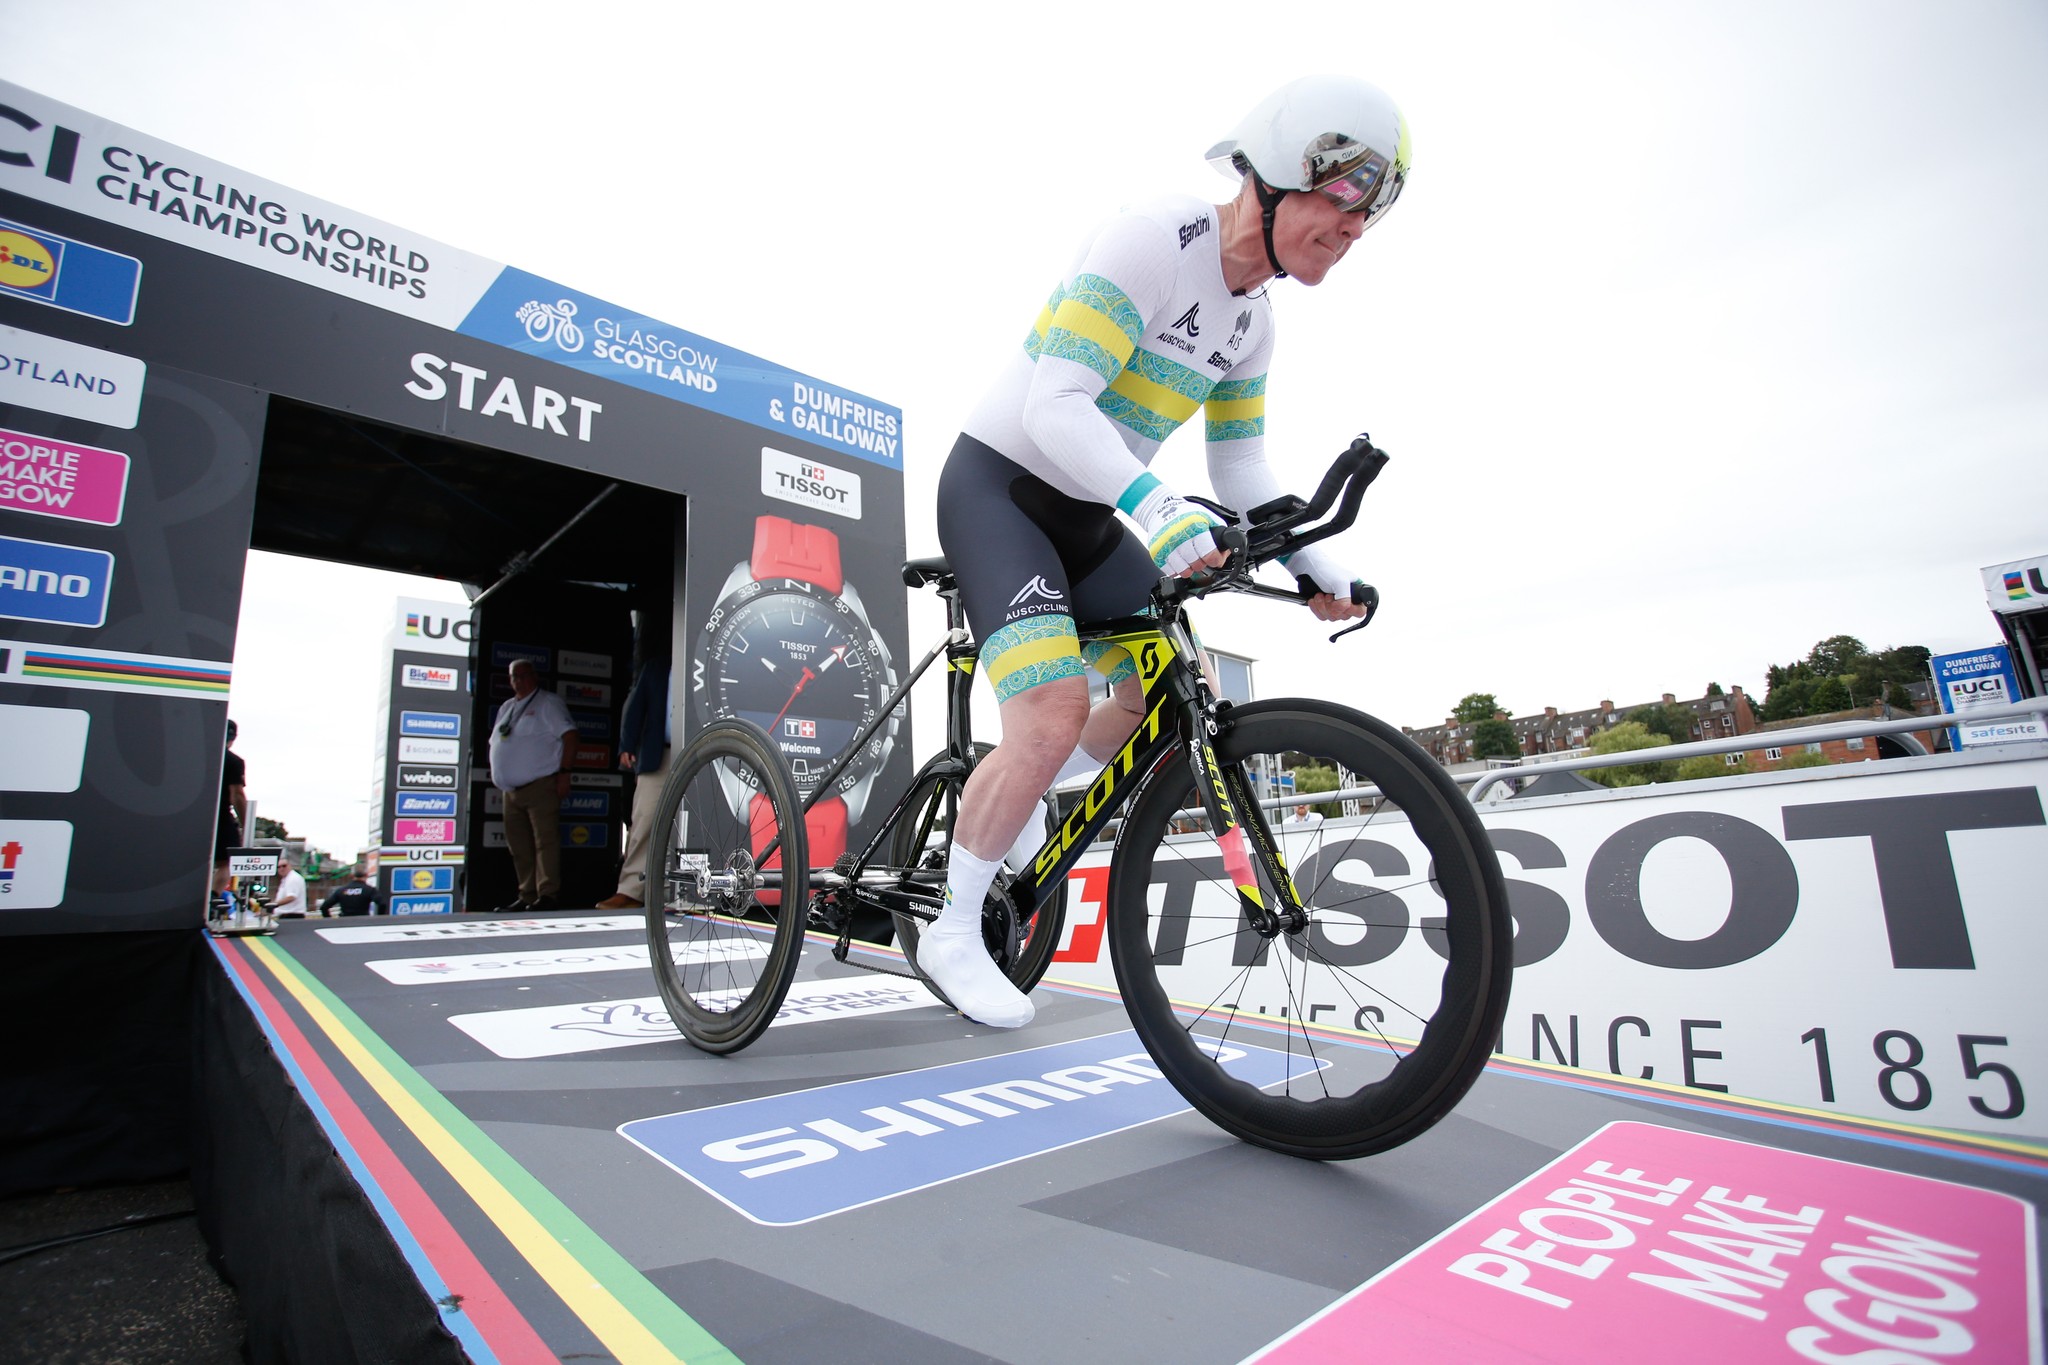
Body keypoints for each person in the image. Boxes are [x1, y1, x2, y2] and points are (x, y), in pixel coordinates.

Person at [927, 75, 1400, 1027]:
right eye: (1346, 200)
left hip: (1093, 513)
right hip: (1002, 490)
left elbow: (1241, 463)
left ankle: (1026, 788)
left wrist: (1310, 557)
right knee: (1054, 707)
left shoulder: (1256, 322)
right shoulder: (1152, 238)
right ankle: (952, 925)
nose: (1355, 232)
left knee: (1154, 689)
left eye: (1371, 218)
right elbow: (1053, 403)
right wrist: (1153, 505)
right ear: (1274, 175)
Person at [488, 657, 578, 913]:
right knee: (519, 845)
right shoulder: (506, 707)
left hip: (540, 785)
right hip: (510, 791)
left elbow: (570, 736)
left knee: (544, 841)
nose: (518, 681)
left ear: (534, 676)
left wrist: (565, 773)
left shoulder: (548, 703)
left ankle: (547, 894)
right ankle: (527, 894)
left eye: (523, 675)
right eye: (514, 676)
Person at [596, 652, 670, 911]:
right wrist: (627, 745)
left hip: (703, 750)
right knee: (645, 818)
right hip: (660, 753)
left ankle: (685, 893)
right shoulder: (657, 665)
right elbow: (636, 705)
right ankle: (630, 891)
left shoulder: (707, 662)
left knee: (699, 823)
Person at [210, 718, 246, 914]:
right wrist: (245, 822)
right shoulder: (233, 761)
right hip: (220, 815)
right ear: (232, 738)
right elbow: (237, 794)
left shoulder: (197, 756)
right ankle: (213, 897)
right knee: (227, 860)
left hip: (194, 815)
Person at [318, 865, 385, 917]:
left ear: (351, 876)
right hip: (363, 923)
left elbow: (324, 907)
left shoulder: (341, 890)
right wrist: (378, 918)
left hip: (345, 922)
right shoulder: (369, 890)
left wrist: (329, 920)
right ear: (366, 875)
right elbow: (382, 904)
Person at [268, 850, 309, 918]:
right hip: (286, 915)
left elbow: (291, 897)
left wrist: (273, 904)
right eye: (278, 867)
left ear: (290, 866)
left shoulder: (293, 878)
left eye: (284, 866)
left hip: (292, 915)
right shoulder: (286, 879)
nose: (281, 869)